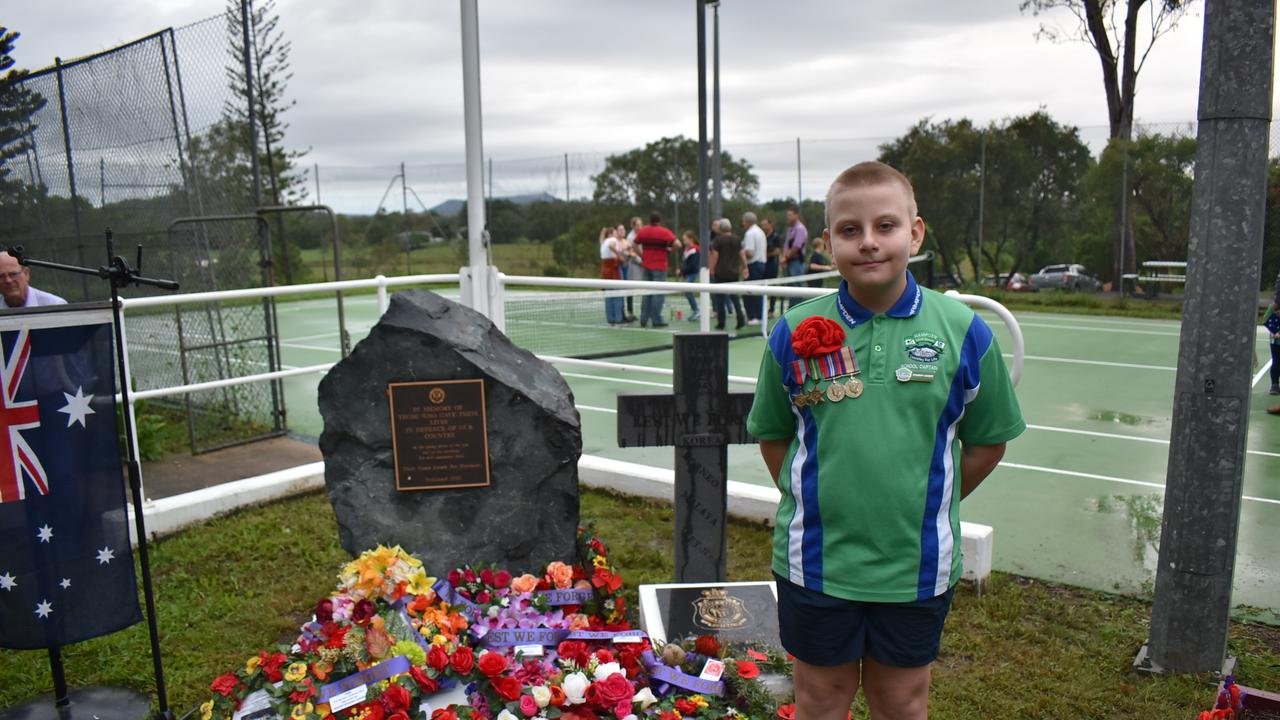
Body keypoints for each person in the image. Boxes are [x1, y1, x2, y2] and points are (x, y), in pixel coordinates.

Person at [746, 161, 1024, 720]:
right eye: (850, 231)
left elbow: (988, 442)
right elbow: (775, 435)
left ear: (914, 233)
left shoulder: (964, 331)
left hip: (914, 565)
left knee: (900, 701)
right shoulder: (793, 331)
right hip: (815, 563)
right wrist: (812, 498)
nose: (869, 243)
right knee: (820, 699)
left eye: (886, 227)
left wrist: (930, 500)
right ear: (827, 244)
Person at [633, 211, 678, 328]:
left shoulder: (643, 231)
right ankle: (656, 319)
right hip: (660, 266)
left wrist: (642, 255)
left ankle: (643, 318)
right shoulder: (664, 232)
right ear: (659, 220)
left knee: (646, 293)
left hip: (646, 265)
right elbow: (678, 244)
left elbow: (634, 245)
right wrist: (668, 251)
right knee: (658, 294)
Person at [709, 218, 746, 330]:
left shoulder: (717, 240)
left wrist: (712, 269)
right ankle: (740, 320)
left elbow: (715, 256)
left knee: (720, 299)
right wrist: (745, 266)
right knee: (735, 298)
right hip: (734, 272)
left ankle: (721, 322)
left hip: (721, 272)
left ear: (720, 228)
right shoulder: (737, 239)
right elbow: (742, 254)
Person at [0, 251, 66, 308]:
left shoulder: (54, 305)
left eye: (13, 274)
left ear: (26, 274)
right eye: (1, 276)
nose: (8, 280)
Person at [741, 211, 768, 325]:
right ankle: (760, 316)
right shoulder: (760, 232)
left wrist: (742, 254)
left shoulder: (750, 233)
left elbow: (750, 252)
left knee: (749, 292)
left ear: (747, 221)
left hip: (754, 265)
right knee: (759, 292)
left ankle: (752, 317)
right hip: (762, 264)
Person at [599, 226, 626, 326]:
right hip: (613, 270)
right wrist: (620, 256)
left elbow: (601, 240)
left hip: (605, 271)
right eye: (615, 232)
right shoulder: (612, 240)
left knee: (608, 296)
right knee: (617, 295)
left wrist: (603, 231)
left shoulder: (603, 242)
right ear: (611, 234)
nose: (616, 234)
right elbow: (611, 245)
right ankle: (618, 319)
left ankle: (610, 319)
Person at [783, 206, 809, 308]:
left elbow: (797, 246)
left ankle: (798, 310)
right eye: (787, 215)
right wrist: (784, 258)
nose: (788, 217)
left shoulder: (800, 228)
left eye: (790, 215)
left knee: (797, 287)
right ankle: (791, 309)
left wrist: (786, 257)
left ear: (796, 215)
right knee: (791, 288)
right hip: (790, 262)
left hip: (797, 262)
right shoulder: (791, 229)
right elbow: (786, 245)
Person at [621, 217, 643, 323]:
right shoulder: (630, 237)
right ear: (633, 226)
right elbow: (631, 253)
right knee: (630, 289)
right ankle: (630, 312)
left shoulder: (642, 234)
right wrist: (641, 261)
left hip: (642, 265)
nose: (639, 227)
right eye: (637, 225)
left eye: (640, 224)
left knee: (645, 288)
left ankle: (644, 312)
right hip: (633, 266)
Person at [762, 216, 783, 315]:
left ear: (770, 225)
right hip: (764, 265)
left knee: (772, 286)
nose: (763, 226)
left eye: (765, 225)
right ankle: (763, 308)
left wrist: (766, 255)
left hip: (772, 264)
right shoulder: (763, 236)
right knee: (763, 287)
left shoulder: (775, 236)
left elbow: (777, 251)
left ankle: (771, 309)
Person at [680, 229, 701, 322]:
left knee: (687, 291)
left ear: (691, 239)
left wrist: (683, 270)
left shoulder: (695, 250)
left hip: (693, 273)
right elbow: (685, 263)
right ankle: (695, 310)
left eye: (685, 239)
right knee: (687, 291)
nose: (684, 241)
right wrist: (682, 271)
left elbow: (693, 265)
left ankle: (696, 310)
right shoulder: (687, 250)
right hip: (688, 274)